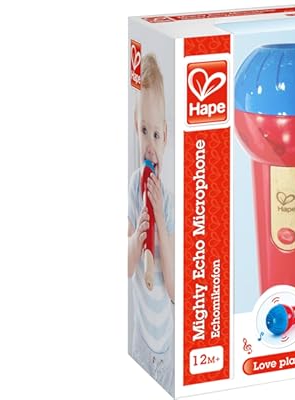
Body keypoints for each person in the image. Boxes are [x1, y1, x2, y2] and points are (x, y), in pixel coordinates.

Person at [127, 53, 175, 394]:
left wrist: (158, 214)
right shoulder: (133, 188)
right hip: (141, 342)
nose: (150, 144)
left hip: (167, 345)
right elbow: (126, 266)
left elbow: (173, 289)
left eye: (156, 134)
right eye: (145, 130)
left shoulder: (167, 200)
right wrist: (137, 237)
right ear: (135, 124)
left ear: (166, 136)